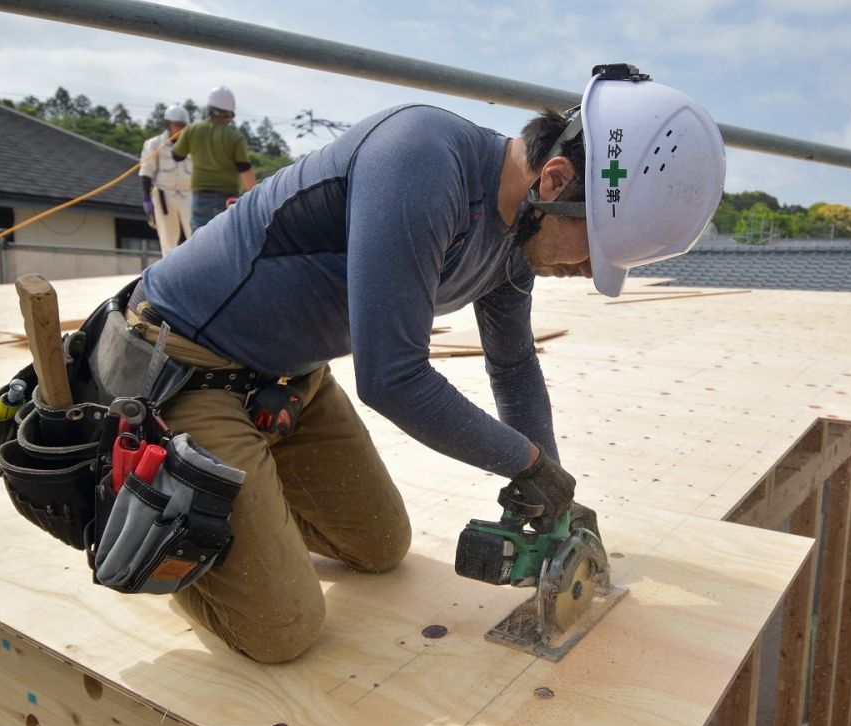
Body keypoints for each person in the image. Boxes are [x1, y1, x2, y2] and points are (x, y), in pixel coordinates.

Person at [119, 64, 725, 663]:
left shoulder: (519, 238)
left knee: (380, 546)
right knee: (283, 630)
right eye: (598, 248)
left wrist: (550, 491)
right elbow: (391, 377)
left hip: (285, 380)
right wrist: (526, 462)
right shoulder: (421, 160)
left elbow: (512, 367)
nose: (593, 272)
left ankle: (243, 501)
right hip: (186, 364)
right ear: (556, 180)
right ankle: (174, 536)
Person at [171, 86, 256, 230]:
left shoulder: (191, 130)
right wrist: (254, 199)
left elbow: (177, 156)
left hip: (199, 196)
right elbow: (244, 170)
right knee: (225, 241)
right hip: (226, 198)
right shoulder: (235, 137)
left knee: (199, 243)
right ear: (229, 114)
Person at [139, 104, 193, 256]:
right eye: (178, 125)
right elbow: (146, 171)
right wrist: (146, 197)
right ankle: (169, 275)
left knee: (195, 235)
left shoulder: (192, 145)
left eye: (184, 126)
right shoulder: (154, 144)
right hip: (165, 194)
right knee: (168, 239)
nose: (181, 129)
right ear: (168, 125)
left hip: (188, 194)